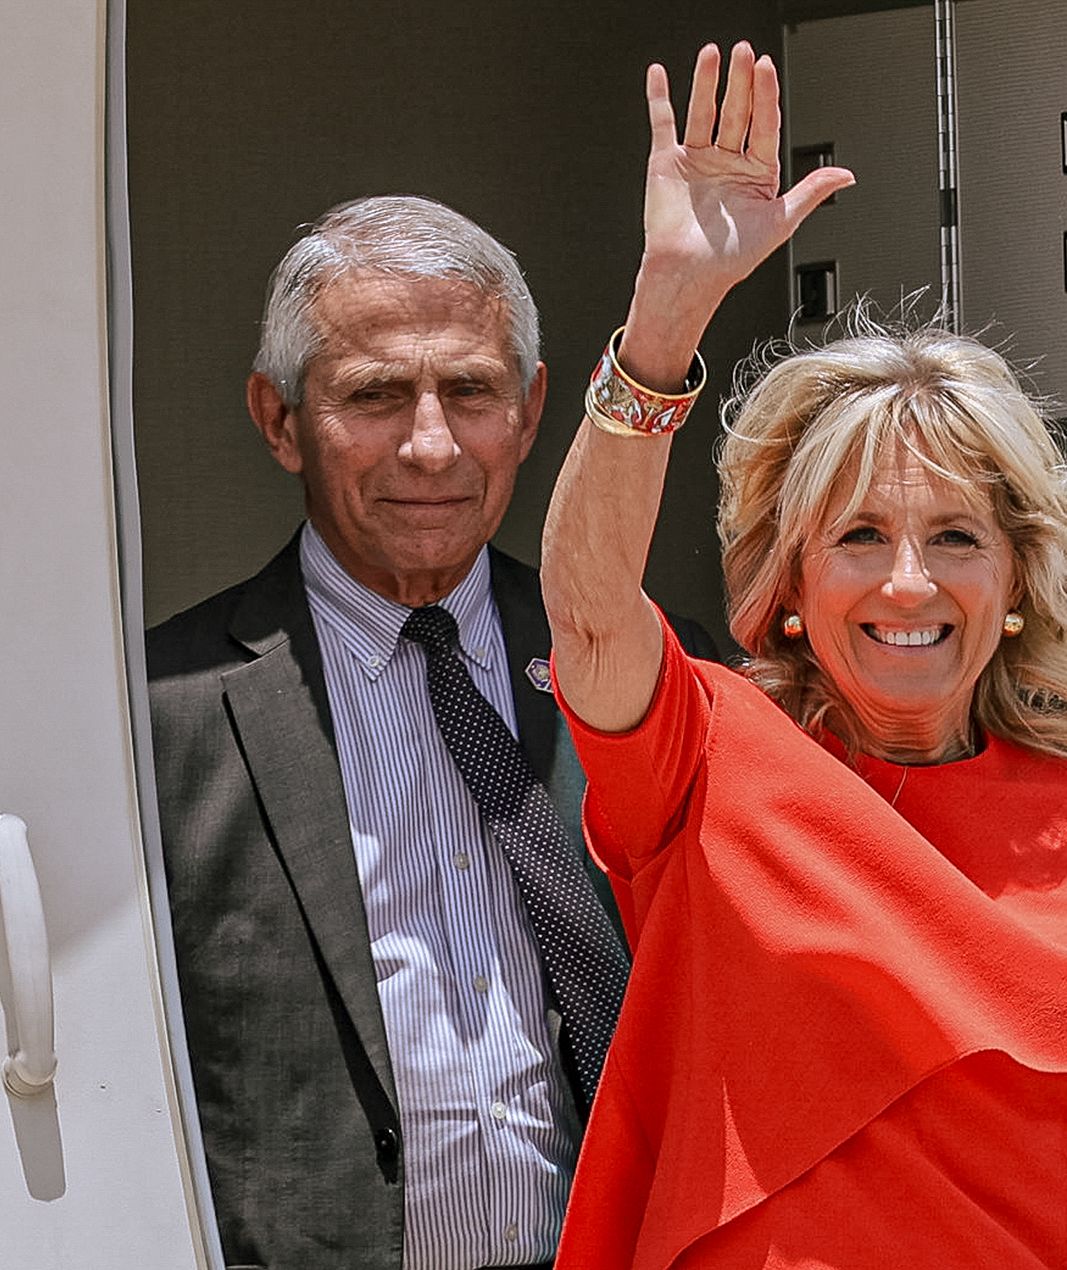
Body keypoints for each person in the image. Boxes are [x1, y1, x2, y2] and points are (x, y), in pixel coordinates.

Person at [541, 42, 1067, 1270]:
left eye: (956, 536)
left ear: (1015, 582)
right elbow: (591, 607)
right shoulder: (710, 764)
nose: (908, 582)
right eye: (859, 535)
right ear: (790, 587)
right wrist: (668, 316)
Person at [146, 195, 716, 1270]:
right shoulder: (163, 712)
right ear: (278, 420)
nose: (429, 443)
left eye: (470, 389)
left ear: (534, 408)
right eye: (373, 395)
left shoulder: (647, 672)